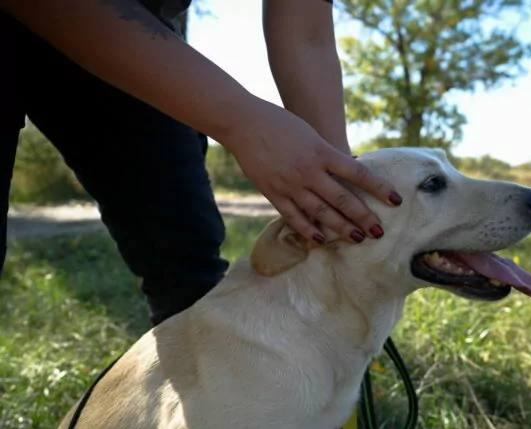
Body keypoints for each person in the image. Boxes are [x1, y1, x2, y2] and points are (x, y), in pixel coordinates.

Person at [0, 0, 403, 326]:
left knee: (185, 263)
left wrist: (338, 187)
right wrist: (245, 123)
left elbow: (308, 35)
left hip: (140, 33)